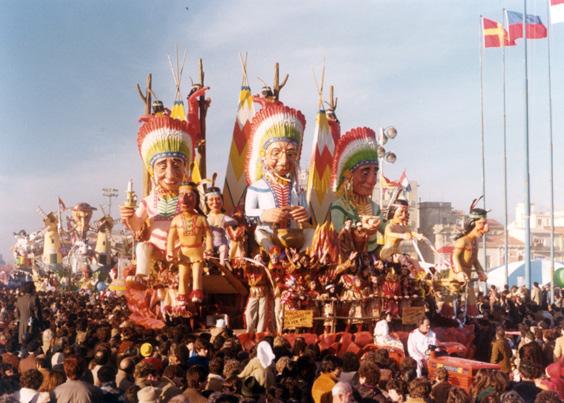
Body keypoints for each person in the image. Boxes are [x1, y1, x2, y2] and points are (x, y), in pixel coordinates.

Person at [120, 112, 201, 279]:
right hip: (156, 252)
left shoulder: (190, 199)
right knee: (142, 247)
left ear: (186, 170)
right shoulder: (148, 201)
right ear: (152, 172)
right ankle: (141, 277)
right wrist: (129, 217)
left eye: (177, 166)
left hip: (182, 251)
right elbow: (136, 226)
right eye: (162, 166)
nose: (170, 175)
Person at [244, 104, 311, 253]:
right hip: (270, 234)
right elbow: (248, 213)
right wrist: (264, 214)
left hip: (294, 236)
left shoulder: (297, 189)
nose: (284, 161)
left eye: (290, 154)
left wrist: (304, 214)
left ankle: (301, 259)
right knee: (260, 233)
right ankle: (275, 255)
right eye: (276, 153)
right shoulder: (256, 187)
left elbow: (307, 215)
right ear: (264, 156)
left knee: (312, 233)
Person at [330, 127, 385, 254]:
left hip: (371, 260)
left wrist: (395, 226)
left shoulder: (374, 207)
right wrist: (359, 226)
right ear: (348, 176)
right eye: (365, 173)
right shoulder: (339, 206)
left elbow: (385, 227)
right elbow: (339, 232)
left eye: (375, 172)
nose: (372, 180)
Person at [167, 183, 212, 302]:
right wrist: (170, 251)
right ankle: (182, 294)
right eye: (181, 194)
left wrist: (209, 248)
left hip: (197, 251)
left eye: (189, 195)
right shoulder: (176, 220)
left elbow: (208, 235)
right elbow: (171, 238)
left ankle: (197, 292)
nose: (184, 198)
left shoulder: (201, 219)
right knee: (183, 275)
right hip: (183, 252)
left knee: (197, 274)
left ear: (196, 199)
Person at [451, 199, 489, 316]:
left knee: (471, 299)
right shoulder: (462, 241)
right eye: (482, 223)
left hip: (467, 276)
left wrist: (480, 271)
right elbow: (455, 257)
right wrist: (459, 272)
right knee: (452, 301)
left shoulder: (474, 242)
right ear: (473, 223)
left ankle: (471, 318)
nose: (485, 228)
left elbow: (474, 259)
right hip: (456, 277)